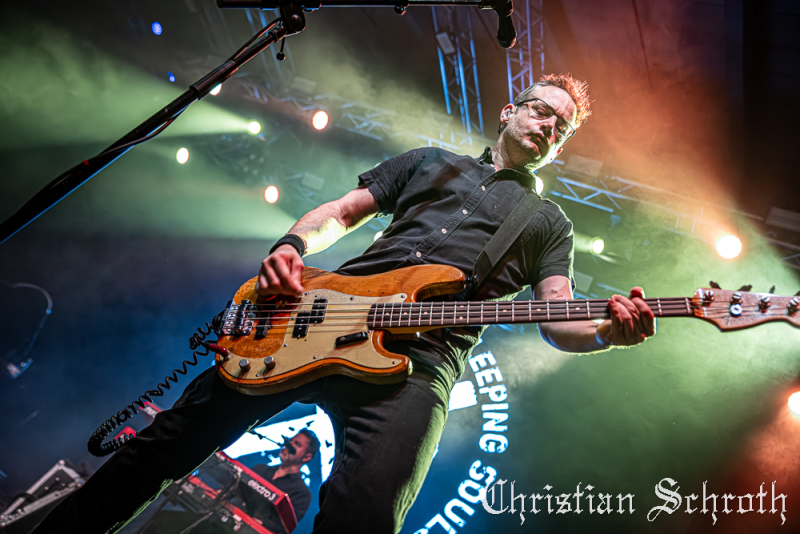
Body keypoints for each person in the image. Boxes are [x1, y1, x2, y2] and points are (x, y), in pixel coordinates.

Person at [33, 73, 655, 534]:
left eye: (560, 128)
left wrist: (605, 332)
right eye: (541, 111)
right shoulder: (430, 162)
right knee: (162, 446)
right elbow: (341, 213)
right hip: (315, 316)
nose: (547, 127)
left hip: (418, 367)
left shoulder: (548, 222)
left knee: (365, 517)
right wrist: (291, 246)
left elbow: (557, 315)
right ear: (509, 110)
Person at [236, 429, 317, 533]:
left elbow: (282, 527)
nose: (289, 444)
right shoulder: (260, 469)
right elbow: (236, 491)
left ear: (306, 457)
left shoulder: (301, 493)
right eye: (291, 440)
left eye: (297, 444)